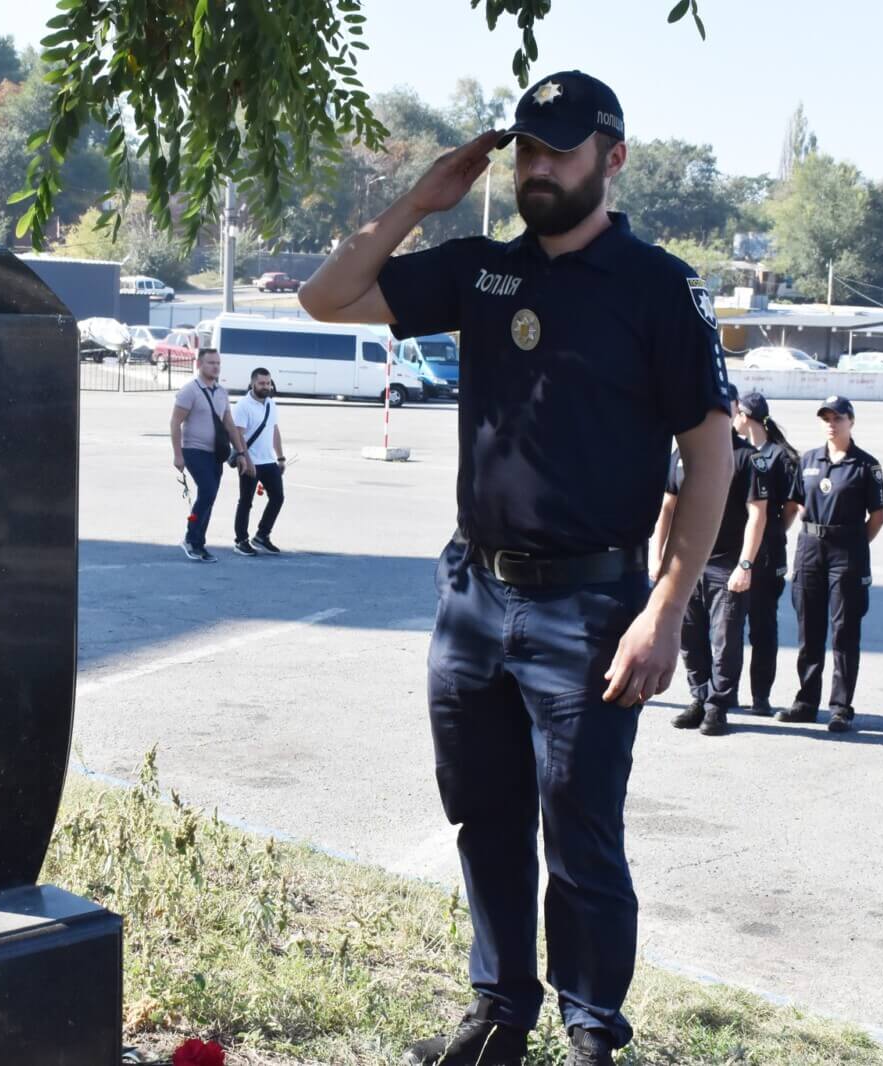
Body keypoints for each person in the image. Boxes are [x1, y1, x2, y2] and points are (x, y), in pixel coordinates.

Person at [299, 69, 733, 1066]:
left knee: (581, 838)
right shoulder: (481, 270)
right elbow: (327, 297)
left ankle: (591, 1036)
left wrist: (664, 610)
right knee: (482, 818)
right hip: (471, 596)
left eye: (561, 150)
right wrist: (420, 198)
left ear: (611, 158)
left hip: (589, 605)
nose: (539, 167)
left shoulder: (657, 288)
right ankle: (500, 1012)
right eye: (528, 150)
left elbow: (710, 456)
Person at [653, 385, 769, 736]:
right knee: (689, 635)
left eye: (725, 405)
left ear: (734, 411)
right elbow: (667, 508)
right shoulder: (682, 454)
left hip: (725, 564)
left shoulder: (748, 457)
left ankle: (718, 705)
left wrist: (745, 565)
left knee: (725, 639)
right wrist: (656, 558)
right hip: (686, 562)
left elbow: (757, 514)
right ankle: (699, 696)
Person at [781, 395, 883, 732]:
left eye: (838, 418)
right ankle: (806, 701)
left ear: (850, 422)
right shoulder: (809, 460)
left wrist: (854, 544)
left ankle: (841, 706)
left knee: (844, 631)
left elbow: (878, 516)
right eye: (826, 417)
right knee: (808, 627)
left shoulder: (866, 465)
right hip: (810, 547)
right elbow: (794, 504)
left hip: (846, 551)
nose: (831, 423)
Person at [733, 391, 800, 714]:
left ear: (745, 416)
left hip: (768, 553)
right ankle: (725, 692)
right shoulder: (739, 453)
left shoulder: (781, 456)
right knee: (728, 627)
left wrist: (773, 535)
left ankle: (760, 696)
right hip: (738, 549)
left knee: (762, 627)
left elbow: (790, 507)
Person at [170, 348, 252, 562]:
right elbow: (175, 423)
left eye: (218, 363)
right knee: (206, 492)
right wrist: (178, 455)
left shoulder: (221, 392)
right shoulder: (190, 391)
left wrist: (241, 452)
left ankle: (199, 542)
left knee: (209, 497)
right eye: (210, 363)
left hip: (216, 453)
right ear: (199, 365)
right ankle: (191, 538)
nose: (215, 366)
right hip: (194, 450)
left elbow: (229, 424)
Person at [231, 367, 286, 556]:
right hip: (249, 461)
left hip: (269, 461)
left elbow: (274, 430)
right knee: (246, 502)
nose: (266, 386)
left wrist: (280, 457)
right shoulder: (243, 405)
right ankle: (241, 541)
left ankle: (262, 536)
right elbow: (237, 435)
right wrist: (246, 460)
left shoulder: (271, 404)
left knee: (278, 497)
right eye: (262, 383)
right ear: (253, 383)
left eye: (268, 383)